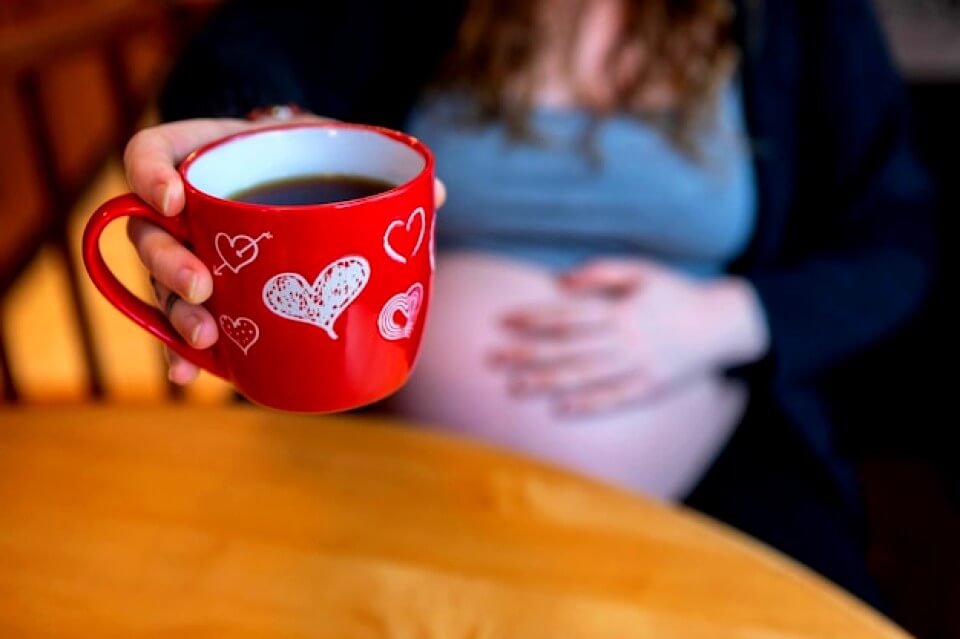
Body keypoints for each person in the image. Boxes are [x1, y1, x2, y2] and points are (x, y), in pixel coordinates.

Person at [123, 0, 935, 606]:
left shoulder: (794, 16)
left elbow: (901, 235)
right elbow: (246, 48)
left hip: (721, 482)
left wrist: (727, 317)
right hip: (381, 475)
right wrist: (259, 136)